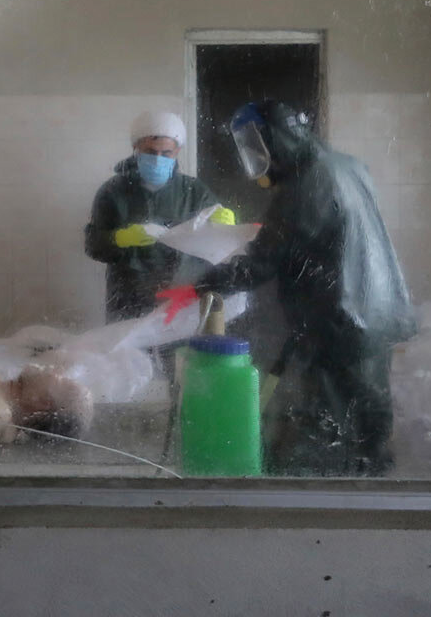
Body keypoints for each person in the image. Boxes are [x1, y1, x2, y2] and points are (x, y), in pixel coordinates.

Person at [158, 100, 416, 477]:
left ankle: (321, 503)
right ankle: (373, 483)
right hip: (376, 314)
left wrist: (198, 287)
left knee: (328, 425)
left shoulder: (305, 186)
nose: (255, 159)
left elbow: (261, 263)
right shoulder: (348, 166)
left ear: (276, 139)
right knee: (369, 414)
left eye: (255, 146)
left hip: (338, 322)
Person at [84, 109, 223, 323]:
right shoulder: (112, 192)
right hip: (126, 300)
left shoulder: (194, 191)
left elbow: (220, 246)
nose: (158, 159)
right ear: (135, 149)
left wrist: (225, 224)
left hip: (181, 298)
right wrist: (119, 239)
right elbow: (93, 245)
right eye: (149, 151)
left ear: (177, 151)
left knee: (179, 355)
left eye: (166, 153)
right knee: (127, 355)